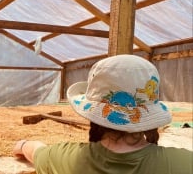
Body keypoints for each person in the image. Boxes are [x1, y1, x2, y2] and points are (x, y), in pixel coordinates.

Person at [13, 54, 192, 174]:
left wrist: (21, 144)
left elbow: (33, 149)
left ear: (93, 114)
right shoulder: (182, 163)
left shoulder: (65, 159)